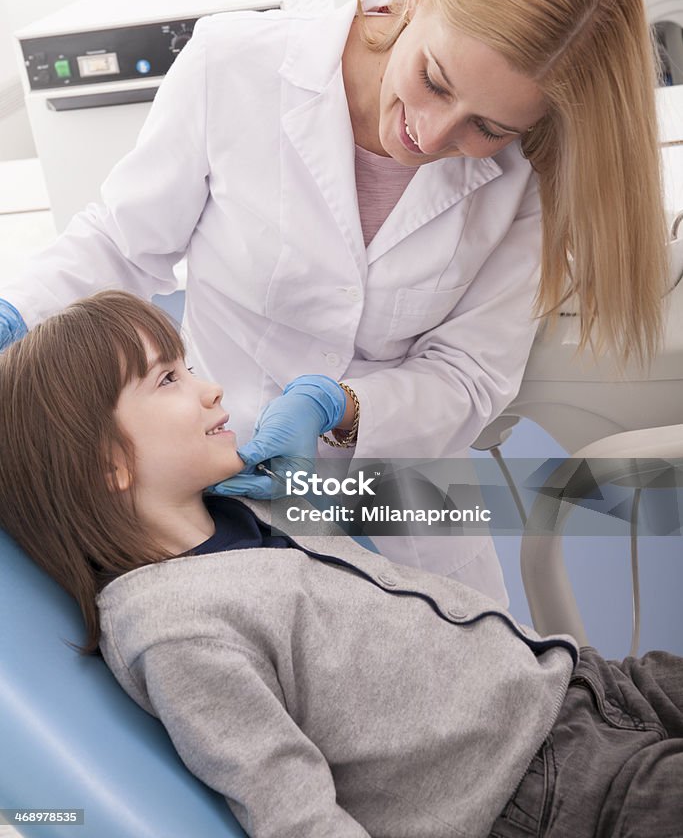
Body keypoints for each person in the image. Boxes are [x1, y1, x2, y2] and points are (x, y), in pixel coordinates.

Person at [0, 0, 669, 594]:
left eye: (487, 126)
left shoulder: (530, 170)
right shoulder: (234, 64)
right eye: (434, 79)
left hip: (405, 505)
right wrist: (17, 313)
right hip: (228, 483)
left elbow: (468, 376)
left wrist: (338, 405)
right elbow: (121, 240)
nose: (431, 134)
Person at [0, 290, 682, 838]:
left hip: (577, 685)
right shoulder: (179, 629)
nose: (210, 389)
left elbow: (422, 525)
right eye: (169, 378)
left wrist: (331, 412)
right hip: (534, 785)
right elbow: (290, 811)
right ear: (108, 462)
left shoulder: (247, 514)